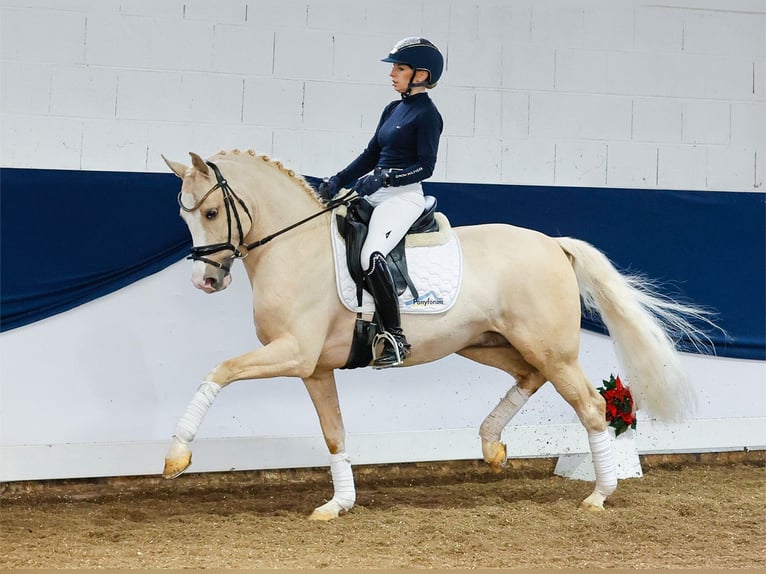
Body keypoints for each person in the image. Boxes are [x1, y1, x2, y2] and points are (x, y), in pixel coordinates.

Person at [319, 37, 444, 368]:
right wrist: (337, 181)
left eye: (399, 68)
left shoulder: (428, 116)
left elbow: (426, 166)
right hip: (374, 190)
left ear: (421, 74)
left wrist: (387, 179)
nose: (392, 74)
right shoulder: (393, 109)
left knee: (371, 255)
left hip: (403, 197)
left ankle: (396, 337)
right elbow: (371, 155)